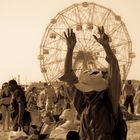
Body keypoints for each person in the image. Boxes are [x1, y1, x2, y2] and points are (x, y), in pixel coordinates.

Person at [59, 27, 124, 140]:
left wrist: (106, 46)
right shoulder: (84, 104)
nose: (85, 93)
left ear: (96, 91)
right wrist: (70, 49)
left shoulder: (110, 101)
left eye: (87, 90)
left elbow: (114, 68)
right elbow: (69, 77)